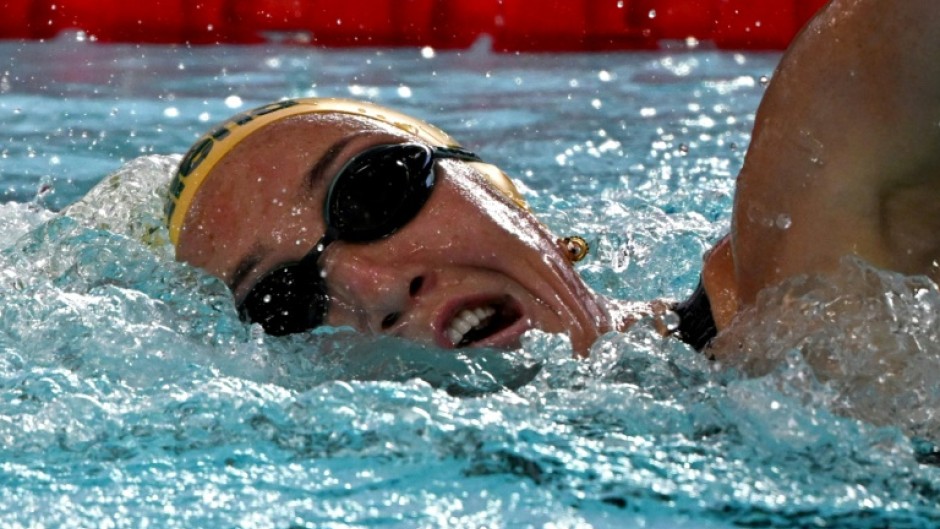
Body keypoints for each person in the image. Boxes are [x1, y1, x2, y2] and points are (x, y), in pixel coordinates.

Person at [166, 0, 940, 360]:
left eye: (374, 191)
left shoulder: (804, 281)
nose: (374, 286)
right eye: (285, 302)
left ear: (500, 191)